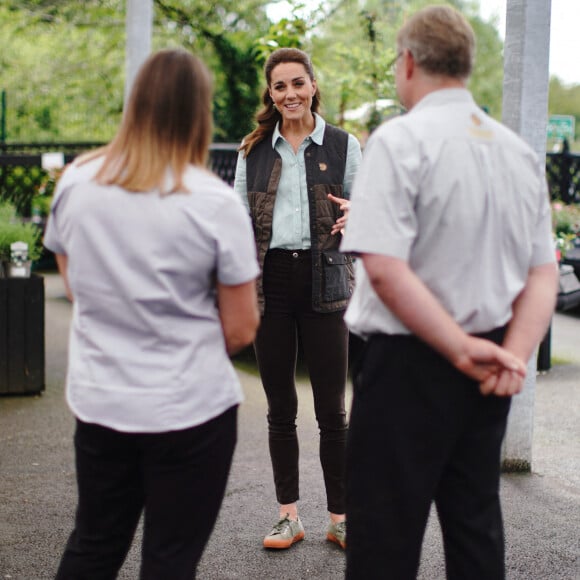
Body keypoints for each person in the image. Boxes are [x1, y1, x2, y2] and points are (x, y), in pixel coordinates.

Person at [340, 5, 559, 579]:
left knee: (385, 534)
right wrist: (513, 353)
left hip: (408, 361)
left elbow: (384, 268)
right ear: (464, 64)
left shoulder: (399, 140)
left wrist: (459, 348)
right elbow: (543, 272)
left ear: (408, 63)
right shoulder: (518, 153)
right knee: (474, 524)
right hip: (495, 361)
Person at [43, 49, 260, 579]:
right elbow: (240, 326)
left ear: (134, 104)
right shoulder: (213, 201)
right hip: (189, 408)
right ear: (199, 112)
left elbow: (74, 285)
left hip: (102, 401)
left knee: (93, 544)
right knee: (169, 560)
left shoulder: (76, 182)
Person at [233, 47, 362, 550]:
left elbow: (368, 209)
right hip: (270, 284)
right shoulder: (254, 150)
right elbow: (235, 221)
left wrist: (360, 214)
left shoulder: (345, 145)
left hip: (325, 279)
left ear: (313, 86)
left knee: (332, 410)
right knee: (279, 407)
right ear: (271, 93)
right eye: (279, 86)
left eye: (297, 83)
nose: (289, 94)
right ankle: (289, 516)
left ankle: (341, 518)